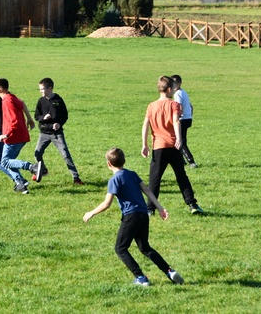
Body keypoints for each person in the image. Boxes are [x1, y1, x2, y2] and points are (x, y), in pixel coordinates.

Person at [83, 147, 184, 287]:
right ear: (124, 161)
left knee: (120, 248)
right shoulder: (132, 174)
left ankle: (140, 277)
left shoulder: (114, 180)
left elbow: (107, 203)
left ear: (108, 164)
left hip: (131, 217)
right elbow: (147, 190)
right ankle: (169, 271)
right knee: (145, 247)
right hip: (143, 214)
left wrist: (91, 213)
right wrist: (159, 208)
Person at [142, 76, 203, 215]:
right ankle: (192, 204)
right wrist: (179, 139)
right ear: (169, 89)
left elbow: (145, 125)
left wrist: (144, 145)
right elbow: (176, 121)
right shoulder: (173, 104)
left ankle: (150, 209)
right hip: (173, 146)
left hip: (158, 147)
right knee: (181, 176)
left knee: (154, 179)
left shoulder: (151, 106)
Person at [33, 77, 84, 185]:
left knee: (65, 154)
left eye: (42, 89)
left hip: (57, 134)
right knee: (37, 154)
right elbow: (37, 116)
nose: (41, 91)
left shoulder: (58, 100)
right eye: (40, 89)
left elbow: (65, 115)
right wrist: (43, 118)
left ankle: (76, 178)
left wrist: (59, 124)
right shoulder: (41, 101)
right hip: (44, 133)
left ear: (50, 89)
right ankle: (43, 170)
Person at [0, 78, 38, 194]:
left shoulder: (7, 101)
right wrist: (29, 118)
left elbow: (13, 121)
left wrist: (5, 135)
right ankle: (20, 183)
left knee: (5, 162)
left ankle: (32, 167)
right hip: (21, 135)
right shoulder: (12, 97)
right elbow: (22, 103)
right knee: (9, 161)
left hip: (14, 136)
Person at [171, 75, 197, 168]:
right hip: (188, 118)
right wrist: (190, 116)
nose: (172, 85)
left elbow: (179, 107)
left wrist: (177, 117)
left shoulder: (177, 94)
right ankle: (181, 161)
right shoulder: (183, 92)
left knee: (181, 142)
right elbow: (191, 106)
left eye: (174, 83)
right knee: (177, 140)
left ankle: (191, 161)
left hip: (182, 119)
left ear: (179, 83)